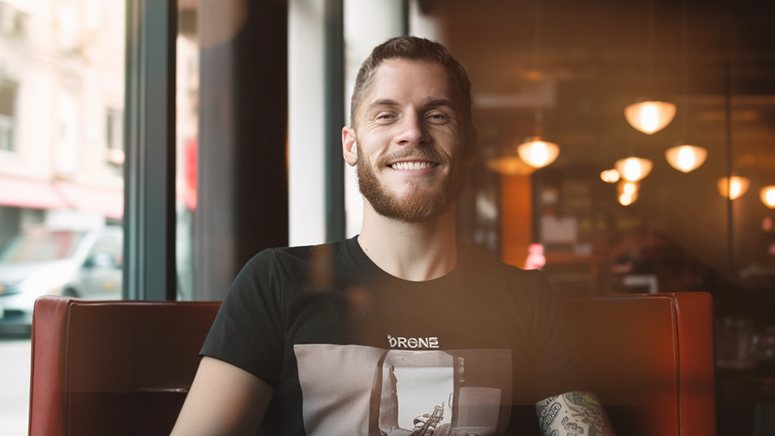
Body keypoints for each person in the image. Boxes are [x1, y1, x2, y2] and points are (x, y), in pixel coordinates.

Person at [171, 36, 615, 436]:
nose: (412, 133)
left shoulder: (528, 298)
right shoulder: (276, 282)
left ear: (471, 145)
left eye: (437, 115)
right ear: (351, 145)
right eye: (386, 115)